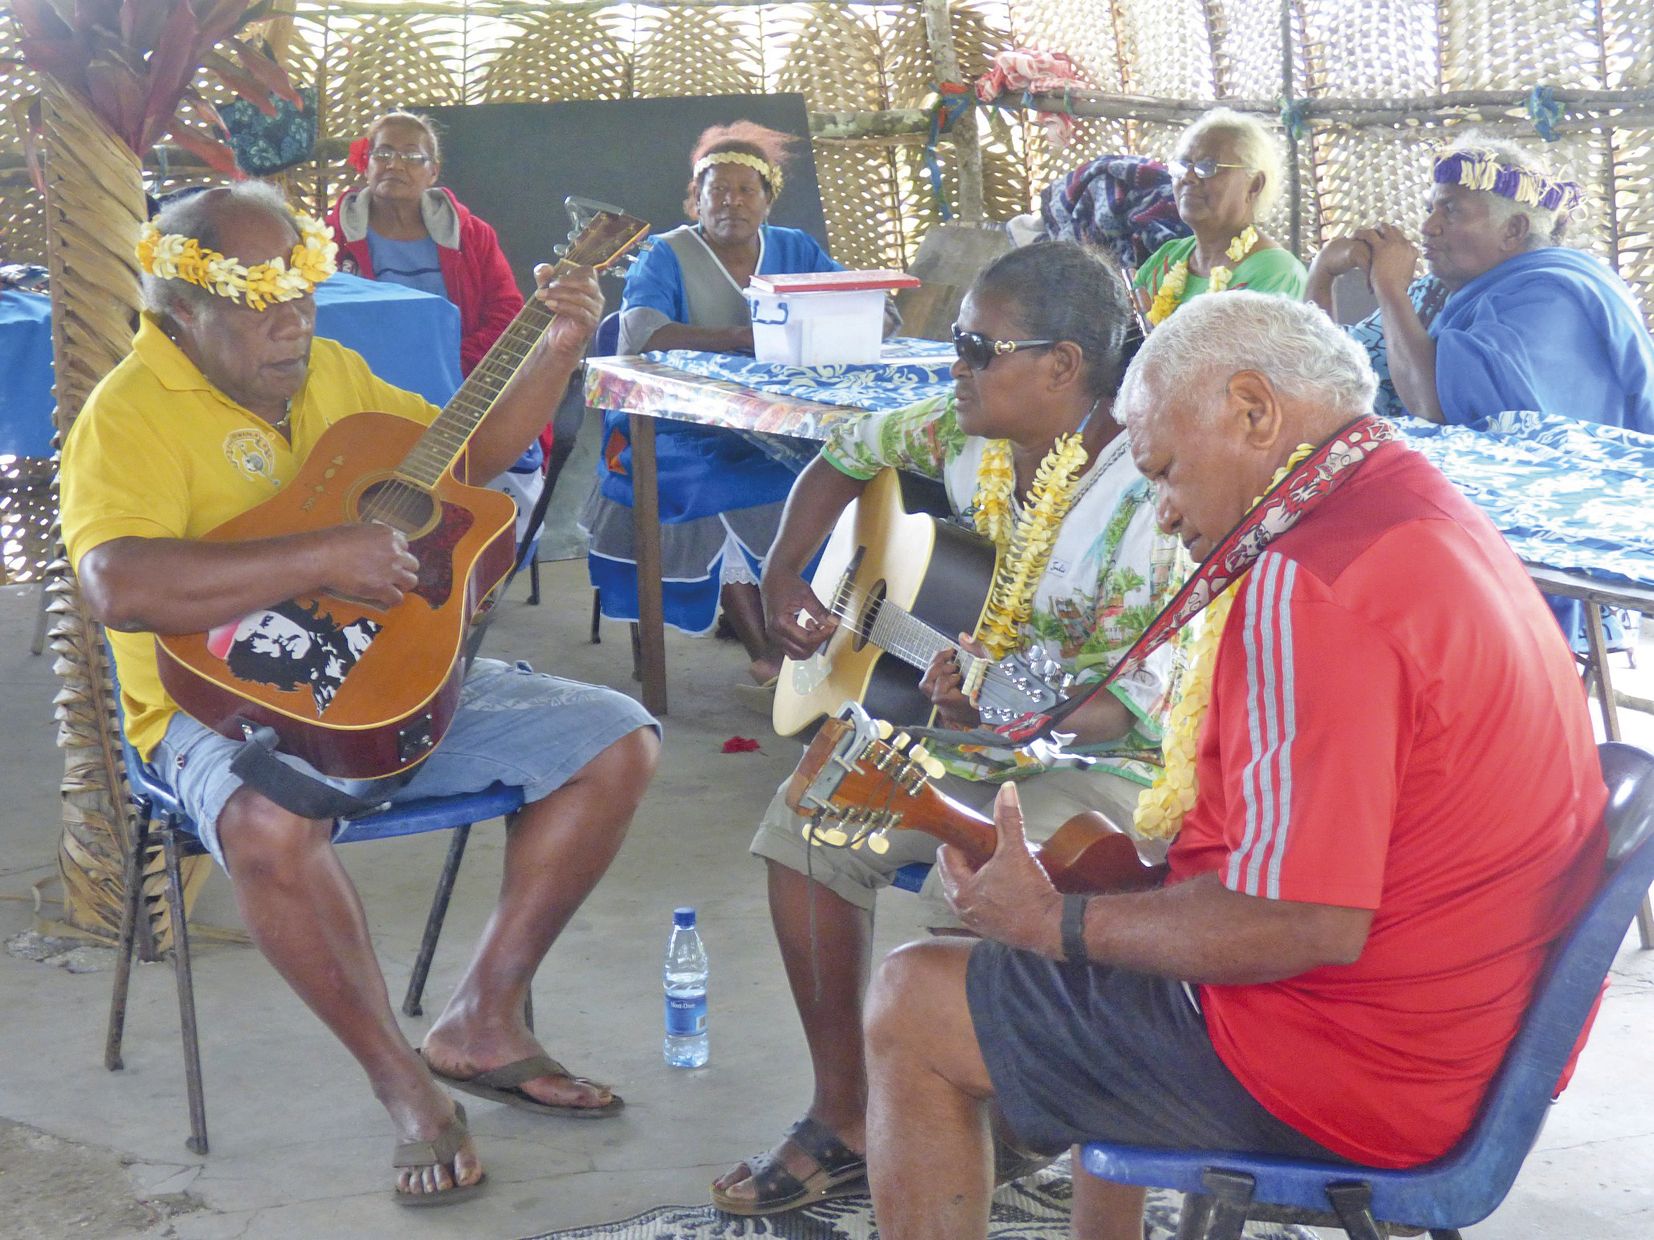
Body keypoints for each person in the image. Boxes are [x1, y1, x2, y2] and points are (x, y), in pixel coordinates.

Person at [857, 292, 1609, 1240]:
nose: (1165, 515)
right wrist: (1090, 918)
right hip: (1456, 1036)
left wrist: (1058, 924)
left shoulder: (1316, 584)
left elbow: (1303, 921)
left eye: (1166, 474)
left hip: (1356, 1067)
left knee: (910, 1001)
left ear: (1254, 411)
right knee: (1086, 929)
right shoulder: (1409, 500)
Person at [61, 182, 660, 1207]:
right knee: (267, 825)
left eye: (301, 297)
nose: (292, 323)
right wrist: (322, 554)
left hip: (393, 681)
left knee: (614, 741)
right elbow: (118, 584)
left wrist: (556, 349)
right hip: (219, 709)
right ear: (178, 313)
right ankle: (403, 1084)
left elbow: (459, 460)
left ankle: (483, 1016)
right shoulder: (130, 413)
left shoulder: (330, 371)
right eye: (258, 305)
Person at [710, 242, 1184, 1216]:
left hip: (1123, 764)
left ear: (1061, 367)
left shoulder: (1148, 486)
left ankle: (997, 1115)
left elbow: (1133, 704)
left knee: (966, 906)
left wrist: (996, 698)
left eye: (975, 346)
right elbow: (845, 453)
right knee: (811, 815)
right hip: (1003, 730)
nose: (952, 365)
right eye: (955, 342)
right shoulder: (962, 429)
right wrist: (787, 569)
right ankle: (842, 1116)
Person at [583, 121, 892, 696]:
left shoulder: (794, 248)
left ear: (767, 199)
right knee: (712, 488)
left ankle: (827, 631)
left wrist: (857, 314)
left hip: (773, 421)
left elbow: (868, 311)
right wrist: (742, 336)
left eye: (746, 190)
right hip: (674, 429)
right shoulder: (666, 255)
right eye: (716, 191)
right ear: (694, 200)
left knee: (835, 473)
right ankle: (770, 651)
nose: (731, 201)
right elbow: (642, 334)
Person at [1306, 134, 1654, 434]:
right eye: (1430, 209)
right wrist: (1322, 274)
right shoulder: (1434, 293)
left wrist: (1390, 290)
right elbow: (1320, 378)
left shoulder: (1552, 301)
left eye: (1451, 210)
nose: (1428, 226)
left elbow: (1437, 410)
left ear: (1513, 230)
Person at [326, 110, 523, 376]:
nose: (394, 165)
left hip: (460, 377)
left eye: (412, 157)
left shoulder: (472, 235)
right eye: (383, 154)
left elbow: (507, 314)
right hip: (362, 382)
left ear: (433, 172)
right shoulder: (330, 238)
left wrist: (451, 365)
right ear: (366, 164)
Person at [1132, 108, 1306, 325]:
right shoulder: (1168, 257)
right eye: (1183, 165)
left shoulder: (1277, 274)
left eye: (1208, 167)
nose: (1188, 177)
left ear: (1254, 184)